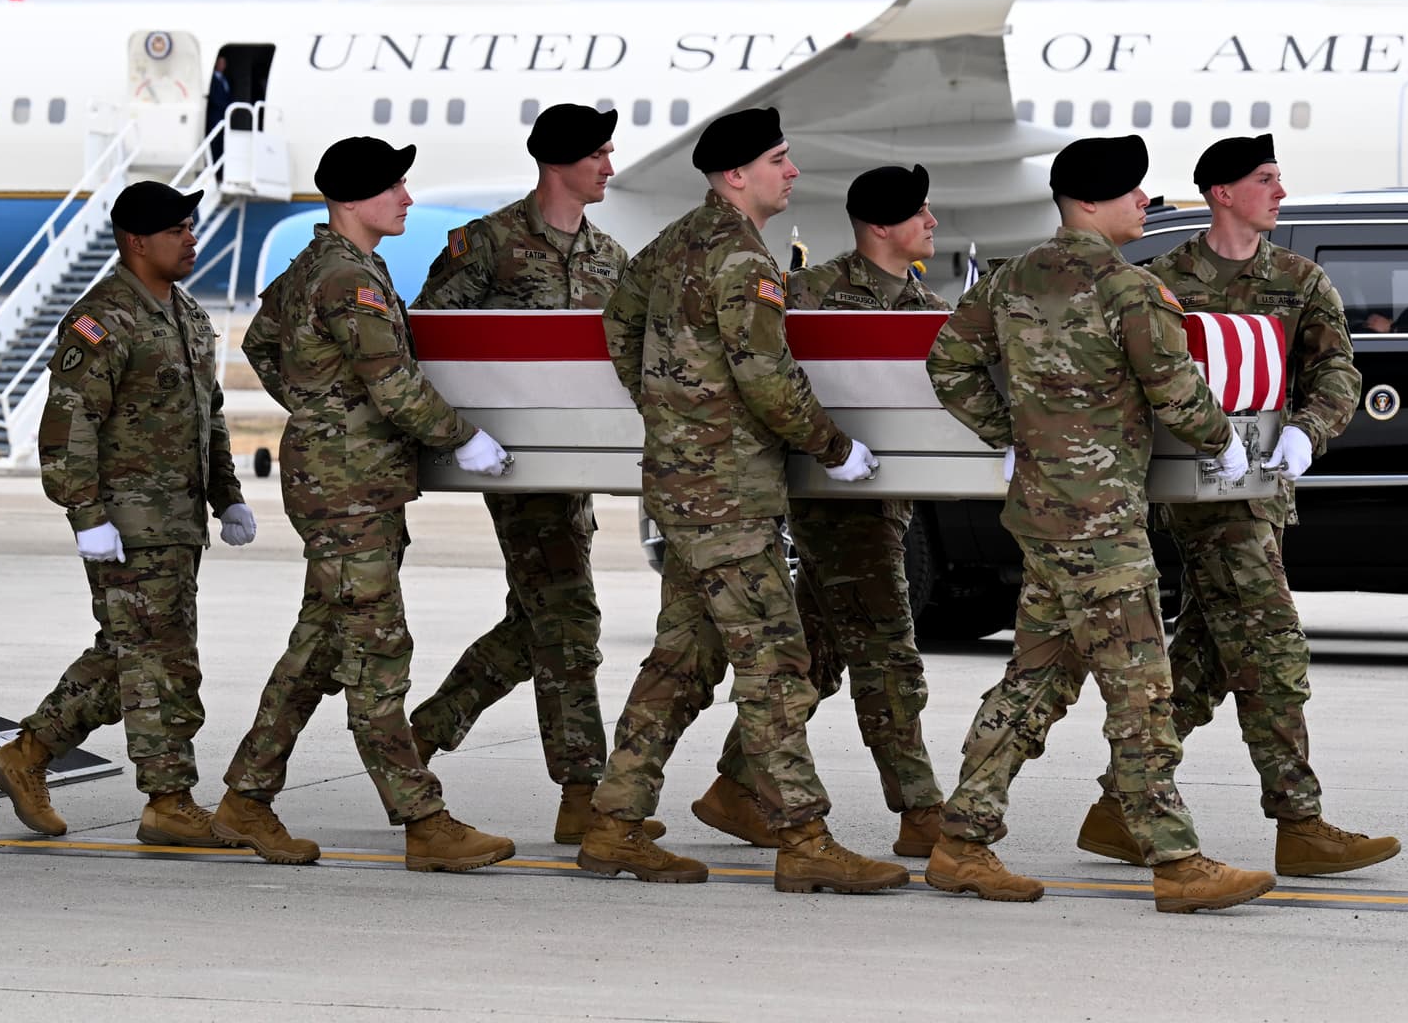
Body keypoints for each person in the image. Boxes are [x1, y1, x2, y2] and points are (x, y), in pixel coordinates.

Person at [923, 134, 1277, 913]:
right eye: (1131, 190)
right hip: (1103, 528)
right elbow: (1179, 394)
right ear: (1090, 203)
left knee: (1038, 681)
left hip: (1045, 517)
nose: (1144, 201)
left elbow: (946, 361)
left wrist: (1013, 431)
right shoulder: (1129, 290)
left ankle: (961, 842)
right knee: (1142, 691)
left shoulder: (1013, 279)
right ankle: (1177, 861)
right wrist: (1224, 446)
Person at [576, 107, 907, 896]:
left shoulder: (678, 241)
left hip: (683, 480)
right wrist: (834, 446)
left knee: (683, 661)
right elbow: (766, 376)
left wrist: (668, 403)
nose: (792, 173)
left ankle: (614, 822)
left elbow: (620, 319)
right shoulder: (742, 259)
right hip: (726, 492)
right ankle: (804, 838)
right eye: (779, 160)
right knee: (777, 660)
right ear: (736, 176)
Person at [1074, 133, 1399, 877]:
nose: (1280, 192)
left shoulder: (1299, 280)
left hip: (1262, 495)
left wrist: (1310, 434)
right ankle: (1300, 821)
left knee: (1210, 654)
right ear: (1221, 192)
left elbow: (1336, 371)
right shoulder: (1161, 280)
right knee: (1272, 648)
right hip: (1193, 497)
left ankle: (1121, 808)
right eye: (1265, 179)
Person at [212, 136, 517, 873]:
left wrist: (317, 408)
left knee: (319, 646)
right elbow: (393, 384)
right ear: (354, 200)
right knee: (378, 651)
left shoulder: (319, 267)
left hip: (343, 480)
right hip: (347, 489)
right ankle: (422, 818)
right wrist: (462, 437)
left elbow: (263, 344)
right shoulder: (349, 278)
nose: (407, 198)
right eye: (394, 188)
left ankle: (246, 798)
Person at [404, 104, 664, 845]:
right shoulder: (486, 246)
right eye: (600, 156)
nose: (610, 168)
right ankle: (583, 791)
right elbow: (432, 339)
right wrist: (460, 439)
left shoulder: (612, 257)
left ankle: (420, 737)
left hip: (576, 471)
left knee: (538, 626)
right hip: (514, 468)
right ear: (560, 164)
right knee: (571, 620)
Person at [0, 181, 256, 847]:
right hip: (127, 523)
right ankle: (167, 800)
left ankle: (29, 754)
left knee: (129, 655)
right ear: (138, 241)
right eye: (178, 230)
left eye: (192, 227)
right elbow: (68, 427)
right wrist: (86, 516)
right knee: (161, 663)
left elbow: (206, 417)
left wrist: (228, 494)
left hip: (178, 523)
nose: (192, 239)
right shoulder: (102, 320)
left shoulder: (185, 315)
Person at [692, 163, 946, 858]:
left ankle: (739, 787)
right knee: (889, 655)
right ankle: (920, 809)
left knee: (819, 655)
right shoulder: (808, 296)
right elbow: (767, 380)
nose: (932, 222)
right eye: (919, 213)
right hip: (835, 507)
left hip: (888, 505)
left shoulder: (926, 309)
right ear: (881, 227)